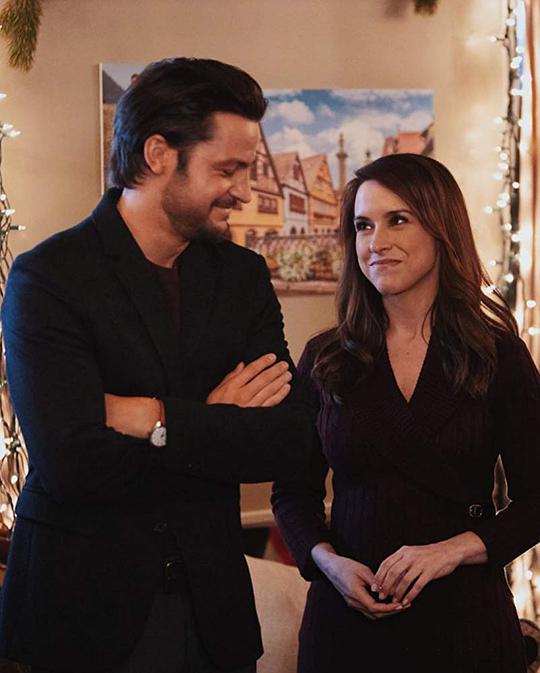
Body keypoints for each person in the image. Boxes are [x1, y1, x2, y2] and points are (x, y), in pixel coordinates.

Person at [0, 58, 318, 673]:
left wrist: (154, 418)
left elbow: (288, 441)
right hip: (84, 616)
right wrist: (217, 420)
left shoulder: (242, 276)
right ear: (157, 155)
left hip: (214, 613)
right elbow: (71, 466)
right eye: (227, 169)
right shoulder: (50, 277)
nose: (245, 191)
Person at [272, 153, 540, 673]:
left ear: (442, 229)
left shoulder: (496, 355)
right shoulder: (325, 358)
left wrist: (452, 551)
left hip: (466, 626)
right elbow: (292, 492)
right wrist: (328, 563)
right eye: (363, 226)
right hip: (346, 627)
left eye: (398, 220)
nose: (377, 242)